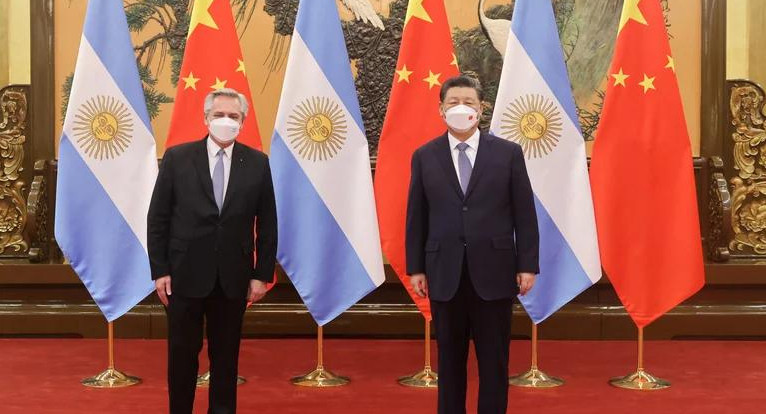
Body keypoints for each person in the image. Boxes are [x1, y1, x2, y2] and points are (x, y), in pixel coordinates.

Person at [406, 75, 539, 414]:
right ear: (441, 110)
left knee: (494, 362)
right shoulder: (425, 156)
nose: (461, 108)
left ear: (481, 109)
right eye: (453, 103)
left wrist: (527, 264)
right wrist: (416, 267)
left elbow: (525, 212)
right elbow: (416, 215)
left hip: (494, 273)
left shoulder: (508, 153)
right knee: (449, 362)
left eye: (469, 102)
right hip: (444, 273)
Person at [147, 88, 277, 414]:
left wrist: (262, 275)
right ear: (206, 118)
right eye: (219, 115)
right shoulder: (177, 158)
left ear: (243, 122)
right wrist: (159, 270)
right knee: (182, 355)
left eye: (233, 116)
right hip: (183, 276)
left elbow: (269, 223)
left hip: (233, 278)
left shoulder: (258, 164)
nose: (225, 121)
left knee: (226, 358)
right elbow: (157, 219)